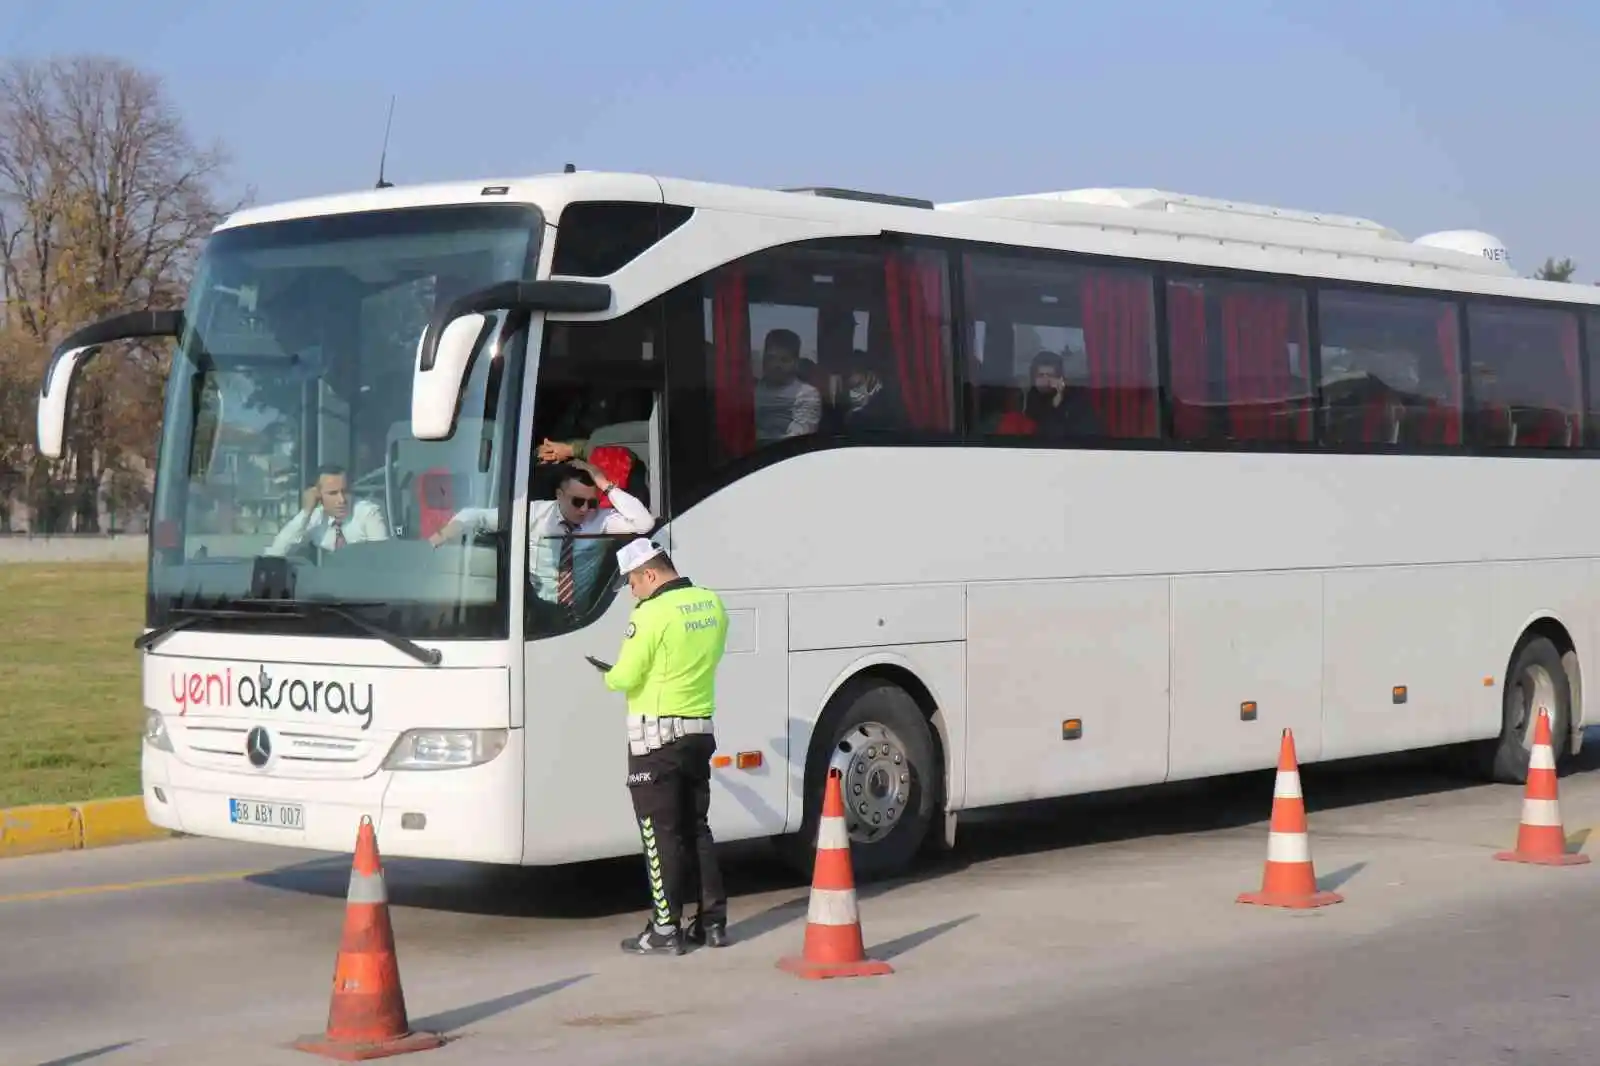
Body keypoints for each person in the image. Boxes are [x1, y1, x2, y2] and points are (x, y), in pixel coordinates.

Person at [600, 537, 730, 956]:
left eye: (633, 583)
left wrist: (608, 675)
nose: (632, 593)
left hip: (654, 737)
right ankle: (712, 923)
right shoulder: (711, 603)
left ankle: (664, 929)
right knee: (698, 827)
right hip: (699, 730)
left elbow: (624, 676)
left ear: (650, 574)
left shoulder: (651, 614)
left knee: (659, 835)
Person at [429, 460, 652, 619]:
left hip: (585, 614)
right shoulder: (534, 514)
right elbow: (474, 515)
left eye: (591, 503)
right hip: (537, 610)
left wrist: (604, 483)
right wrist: (441, 536)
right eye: (577, 501)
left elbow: (644, 523)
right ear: (559, 496)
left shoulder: (601, 520)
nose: (585, 509)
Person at [265, 465, 389, 556]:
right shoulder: (315, 517)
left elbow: (382, 559)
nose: (341, 500)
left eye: (345, 491)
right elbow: (276, 552)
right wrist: (306, 511)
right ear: (318, 495)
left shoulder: (368, 513)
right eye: (333, 493)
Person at [754, 328, 822, 444]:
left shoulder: (807, 394)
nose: (776, 365)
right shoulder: (752, 390)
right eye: (771, 358)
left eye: (784, 360)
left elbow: (800, 439)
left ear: (796, 362)